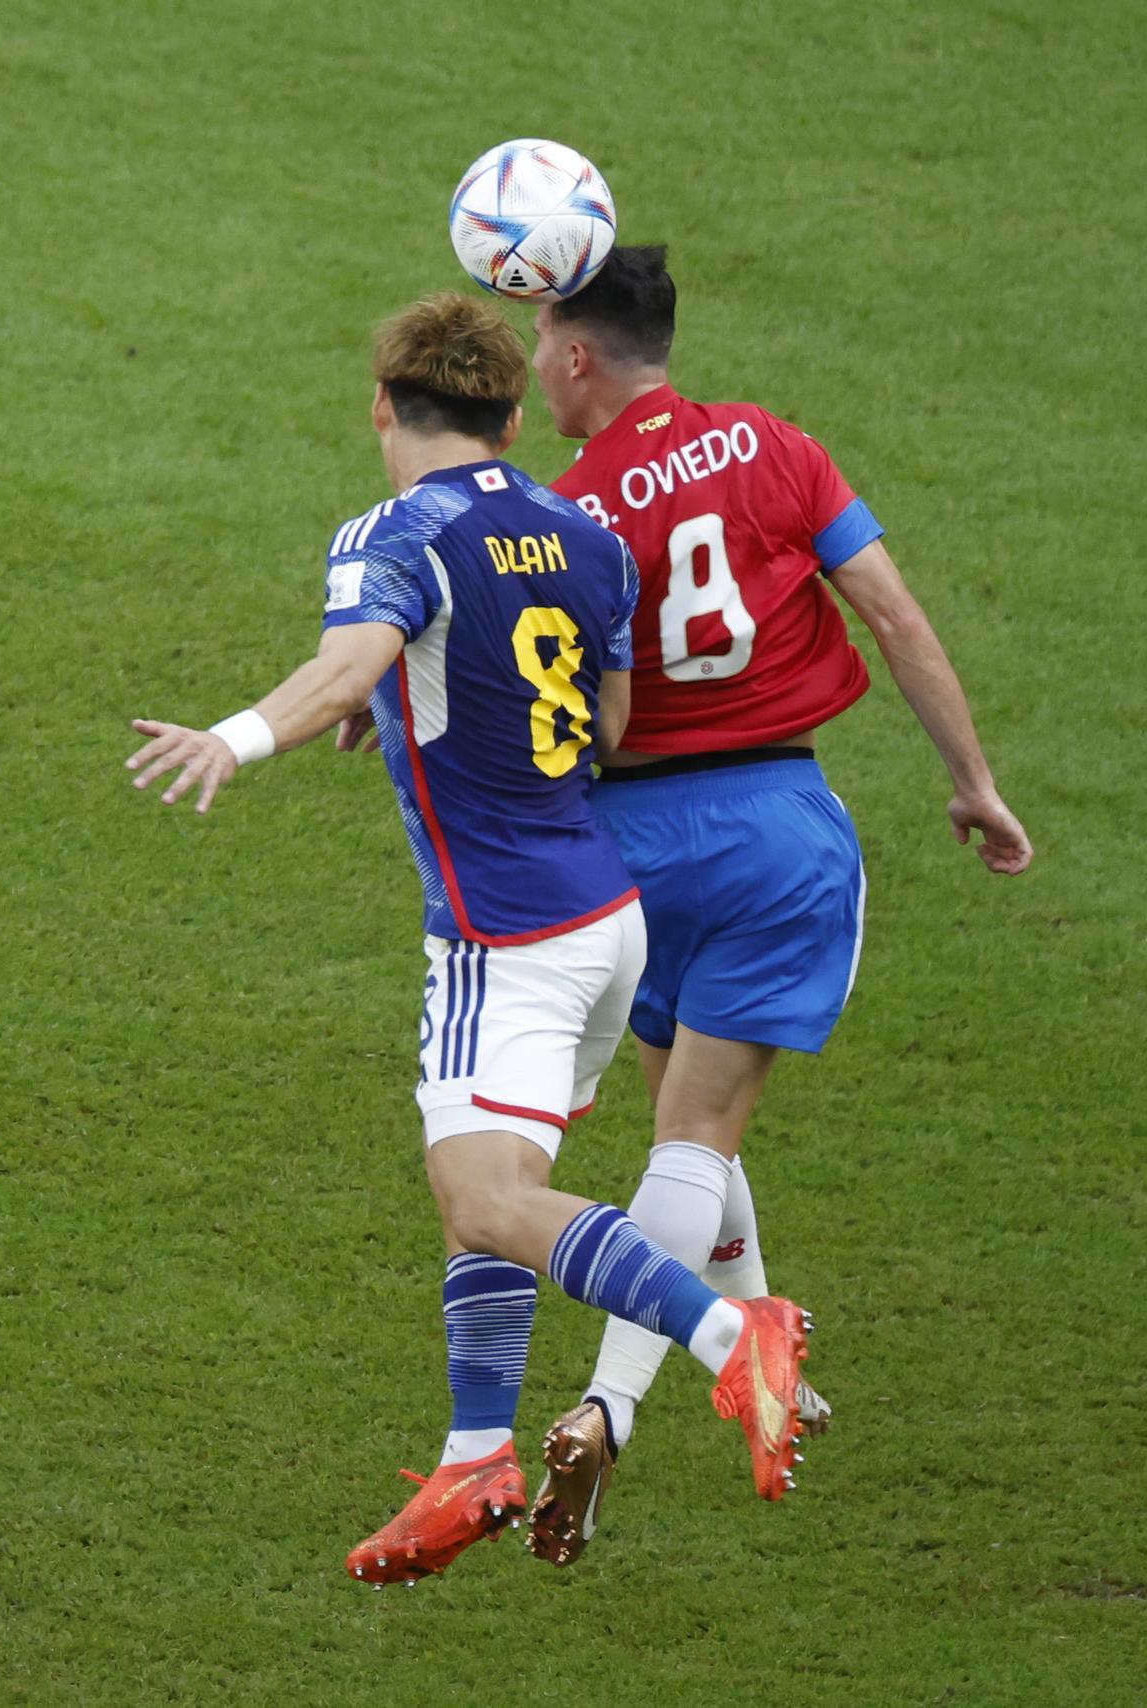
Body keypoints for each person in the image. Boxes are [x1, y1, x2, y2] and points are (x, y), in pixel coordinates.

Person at [124, 290, 817, 1589]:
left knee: (487, 1197)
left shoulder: (394, 532)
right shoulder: (587, 531)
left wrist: (240, 733)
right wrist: (414, 694)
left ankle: (737, 1338)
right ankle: (474, 1457)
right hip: (609, 919)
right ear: (512, 415)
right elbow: (603, 722)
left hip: (506, 939)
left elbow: (350, 659)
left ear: (382, 405)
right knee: (486, 1178)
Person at [525, 247, 1034, 1566]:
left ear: (580, 356)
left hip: (621, 854)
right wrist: (974, 783)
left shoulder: (566, 511)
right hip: (772, 834)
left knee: (686, 1135)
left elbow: (543, 697)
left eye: (542, 342)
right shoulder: (778, 450)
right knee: (697, 1137)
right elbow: (894, 614)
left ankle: (761, 1366)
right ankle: (610, 1406)